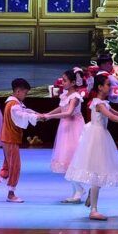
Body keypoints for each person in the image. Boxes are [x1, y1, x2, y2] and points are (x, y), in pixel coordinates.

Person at [66, 73, 118, 221]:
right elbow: (112, 117)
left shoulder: (104, 103)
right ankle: (93, 210)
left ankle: (92, 196)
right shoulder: (98, 104)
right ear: (100, 87)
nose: (110, 87)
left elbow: (117, 112)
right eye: (108, 84)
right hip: (96, 137)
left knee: (101, 170)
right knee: (98, 171)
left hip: (101, 135)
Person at [0, 78, 41, 203]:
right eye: (25, 93)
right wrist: (37, 117)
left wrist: (38, 115)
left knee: (8, 166)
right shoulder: (14, 105)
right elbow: (23, 115)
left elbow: (26, 111)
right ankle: (11, 194)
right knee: (15, 167)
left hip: (8, 138)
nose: (25, 96)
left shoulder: (14, 103)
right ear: (18, 91)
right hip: (10, 139)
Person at [42, 67, 89, 203]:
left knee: (72, 158)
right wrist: (48, 114)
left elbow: (68, 113)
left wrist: (50, 117)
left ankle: (79, 190)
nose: (62, 83)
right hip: (66, 127)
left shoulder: (75, 97)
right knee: (67, 158)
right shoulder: (65, 95)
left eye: (64, 80)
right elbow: (62, 108)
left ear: (73, 83)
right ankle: (76, 191)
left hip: (74, 128)